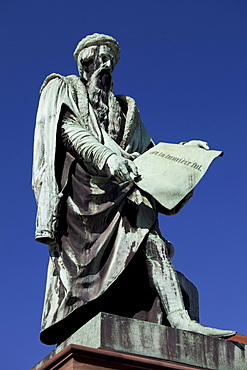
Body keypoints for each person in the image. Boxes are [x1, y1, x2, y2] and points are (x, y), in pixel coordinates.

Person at [32, 33, 236, 345]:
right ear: (81, 65)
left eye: (107, 62)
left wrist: (185, 152)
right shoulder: (65, 88)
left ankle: (180, 317)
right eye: (93, 61)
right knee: (140, 220)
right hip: (84, 200)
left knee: (148, 227)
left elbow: (150, 155)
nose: (101, 67)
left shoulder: (126, 110)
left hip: (122, 192)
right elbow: (68, 131)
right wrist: (107, 157)